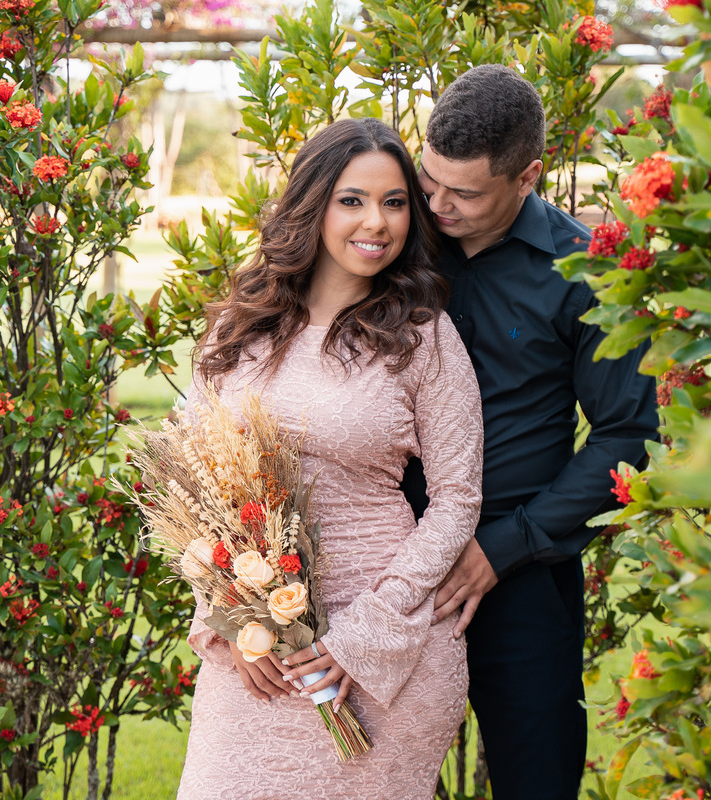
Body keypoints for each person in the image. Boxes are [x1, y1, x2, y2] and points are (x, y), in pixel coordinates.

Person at [176, 117, 484, 800]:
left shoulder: (424, 337)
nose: (377, 222)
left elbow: (458, 497)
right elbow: (194, 490)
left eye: (395, 202)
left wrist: (359, 638)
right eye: (353, 200)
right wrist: (229, 618)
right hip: (257, 643)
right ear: (312, 204)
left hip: (384, 647)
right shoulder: (237, 328)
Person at [402, 64, 660, 799]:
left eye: (465, 192)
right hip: (384, 558)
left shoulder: (585, 271)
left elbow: (626, 433)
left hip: (518, 574)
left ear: (528, 176)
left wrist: (499, 549)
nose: (438, 206)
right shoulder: (398, 244)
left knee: (537, 778)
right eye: (430, 181)